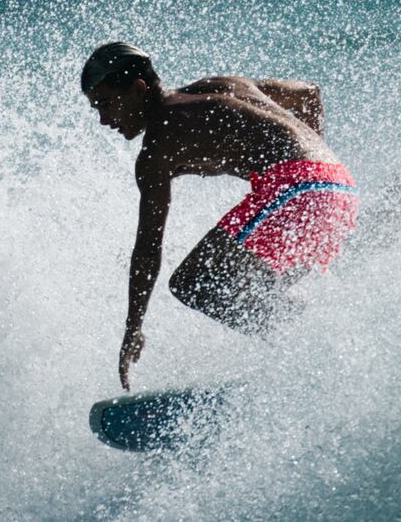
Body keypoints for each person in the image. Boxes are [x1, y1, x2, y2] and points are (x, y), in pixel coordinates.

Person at [81, 42, 358, 390]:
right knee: (251, 289)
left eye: (106, 104)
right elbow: (308, 94)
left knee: (193, 283)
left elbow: (148, 246)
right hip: (340, 188)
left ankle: (306, 349)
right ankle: (317, 349)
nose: (104, 120)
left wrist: (133, 327)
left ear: (138, 88)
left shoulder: (158, 144)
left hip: (296, 189)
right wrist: (317, 161)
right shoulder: (223, 85)